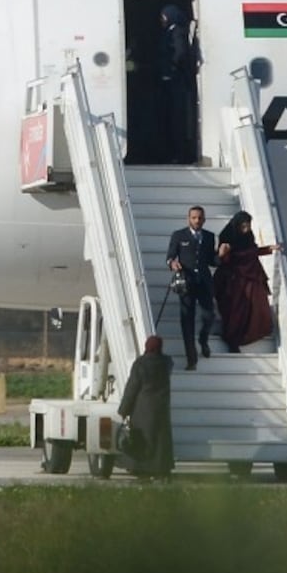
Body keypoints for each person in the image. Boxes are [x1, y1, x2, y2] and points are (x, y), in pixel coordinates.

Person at [214, 211, 282, 352]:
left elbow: (252, 251)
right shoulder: (227, 236)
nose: (246, 229)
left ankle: (248, 334)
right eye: (243, 226)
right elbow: (227, 258)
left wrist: (268, 249)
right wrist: (224, 253)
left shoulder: (248, 236)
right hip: (234, 279)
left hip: (251, 275)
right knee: (235, 310)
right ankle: (232, 339)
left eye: (248, 226)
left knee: (256, 306)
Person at [117, 335, 174, 479]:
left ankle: (141, 468)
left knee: (143, 439)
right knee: (160, 440)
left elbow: (132, 388)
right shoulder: (166, 363)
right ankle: (161, 468)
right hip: (161, 408)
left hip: (142, 408)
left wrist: (124, 410)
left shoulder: (140, 364)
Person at [166, 205, 216, 369]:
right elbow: (170, 256)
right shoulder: (179, 235)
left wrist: (221, 256)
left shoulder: (209, 236)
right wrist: (173, 263)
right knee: (187, 320)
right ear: (189, 219)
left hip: (204, 282)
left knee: (209, 315)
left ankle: (203, 339)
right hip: (186, 283)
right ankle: (191, 357)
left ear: (204, 219)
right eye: (194, 218)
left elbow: (211, 260)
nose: (197, 221)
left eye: (200, 218)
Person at [158, 4, 196, 164]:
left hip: (176, 81)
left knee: (177, 118)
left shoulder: (177, 32)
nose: (162, 20)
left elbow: (180, 52)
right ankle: (173, 152)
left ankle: (180, 154)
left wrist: (171, 68)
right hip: (171, 80)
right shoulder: (171, 31)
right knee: (171, 117)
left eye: (164, 16)